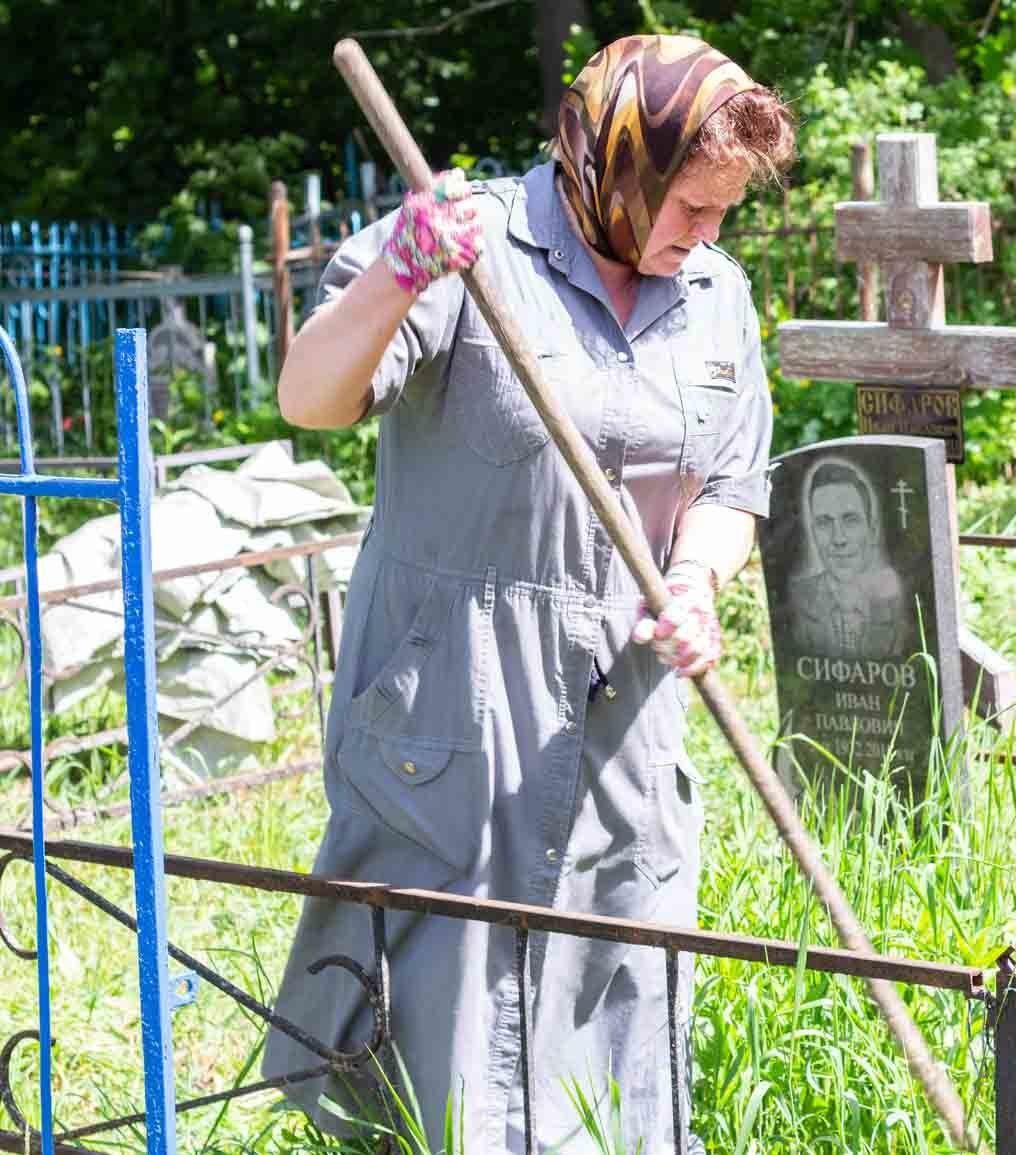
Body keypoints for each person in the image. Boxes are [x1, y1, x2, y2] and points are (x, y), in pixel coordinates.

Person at [261, 35, 795, 1154]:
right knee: (439, 1027)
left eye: (721, 214)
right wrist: (399, 273)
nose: (705, 236)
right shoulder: (468, 248)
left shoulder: (714, 292)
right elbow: (308, 397)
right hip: (452, 698)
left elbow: (732, 483)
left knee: (614, 996)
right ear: (615, 167)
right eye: (690, 208)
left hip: (623, 702)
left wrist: (696, 578)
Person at [786, 459, 914, 657]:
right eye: (824, 523)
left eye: (851, 520)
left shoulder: (900, 601)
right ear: (813, 532)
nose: (838, 539)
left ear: (871, 529)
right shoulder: (796, 598)